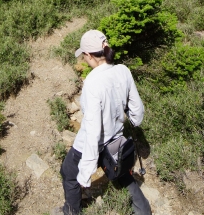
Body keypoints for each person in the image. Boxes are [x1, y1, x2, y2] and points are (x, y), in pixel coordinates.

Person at [52, 30, 151, 215]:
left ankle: (72, 211)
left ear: (89, 55)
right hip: (116, 139)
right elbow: (136, 109)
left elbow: (92, 130)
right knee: (120, 171)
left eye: (84, 55)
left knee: (68, 173)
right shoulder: (123, 70)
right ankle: (143, 209)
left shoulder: (92, 82)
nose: (83, 58)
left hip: (92, 145)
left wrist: (86, 170)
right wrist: (135, 121)